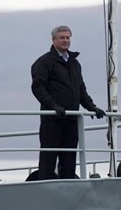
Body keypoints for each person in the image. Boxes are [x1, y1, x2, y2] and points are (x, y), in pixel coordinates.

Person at [31, 25, 105, 180]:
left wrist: (92, 107)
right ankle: (44, 188)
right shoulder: (44, 62)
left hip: (71, 119)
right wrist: (53, 106)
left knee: (69, 158)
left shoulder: (74, 63)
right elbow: (38, 87)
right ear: (53, 40)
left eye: (67, 37)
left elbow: (81, 90)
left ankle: (67, 188)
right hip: (52, 119)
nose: (65, 40)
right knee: (48, 157)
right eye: (62, 37)